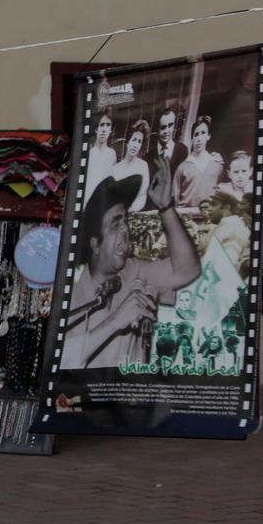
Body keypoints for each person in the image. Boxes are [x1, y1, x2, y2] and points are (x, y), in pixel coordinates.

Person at [60, 158, 201, 369]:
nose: (126, 229)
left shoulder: (134, 271)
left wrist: (165, 207)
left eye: (126, 220)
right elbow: (63, 361)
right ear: (95, 244)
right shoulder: (70, 290)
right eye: (116, 223)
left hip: (132, 397)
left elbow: (187, 270)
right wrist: (116, 320)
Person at [174, 115, 224, 207]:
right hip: (186, 216)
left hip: (208, 217)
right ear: (192, 138)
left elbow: (219, 193)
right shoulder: (182, 167)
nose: (199, 139)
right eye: (196, 134)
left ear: (208, 136)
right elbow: (175, 199)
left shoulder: (217, 165)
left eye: (203, 133)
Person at [111, 119, 151, 212]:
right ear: (128, 142)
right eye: (134, 140)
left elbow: (142, 195)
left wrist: (131, 209)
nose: (135, 145)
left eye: (139, 142)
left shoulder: (143, 166)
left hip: (136, 214)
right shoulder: (115, 169)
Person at [83, 109, 118, 205]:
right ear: (96, 129)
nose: (104, 129)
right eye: (102, 125)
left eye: (108, 125)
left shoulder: (112, 154)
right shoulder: (88, 152)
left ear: (110, 130)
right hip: (87, 200)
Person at [153, 108, 187, 175]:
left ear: (174, 126)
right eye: (163, 127)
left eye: (170, 125)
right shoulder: (149, 156)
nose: (166, 131)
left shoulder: (182, 150)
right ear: (157, 129)